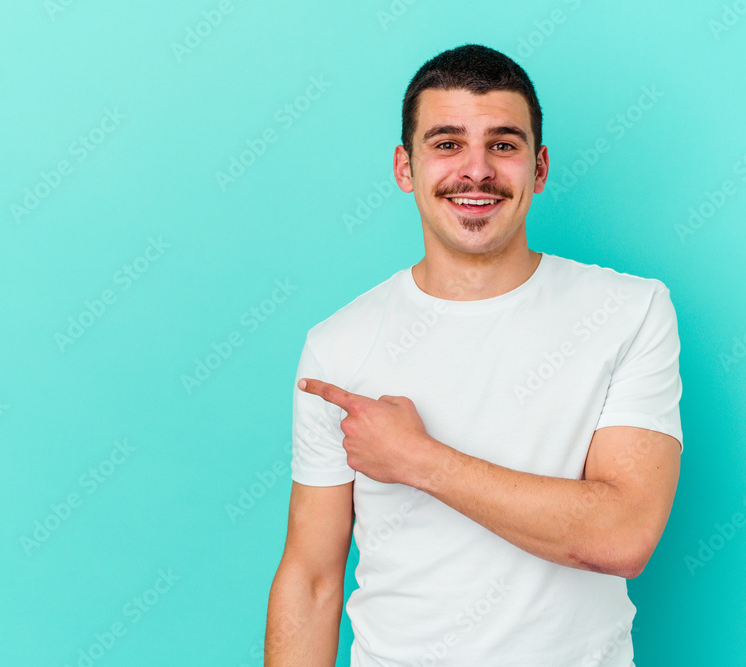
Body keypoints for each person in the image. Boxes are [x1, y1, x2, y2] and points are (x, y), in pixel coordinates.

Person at [265, 43, 682, 666]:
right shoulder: (338, 345)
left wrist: (418, 459)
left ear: (538, 169)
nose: (477, 171)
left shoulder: (629, 310)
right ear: (405, 168)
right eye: (447, 143)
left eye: (504, 145)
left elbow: (623, 535)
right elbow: (312, 575)